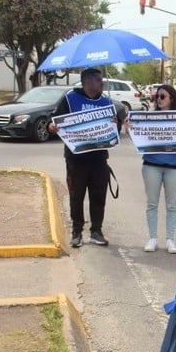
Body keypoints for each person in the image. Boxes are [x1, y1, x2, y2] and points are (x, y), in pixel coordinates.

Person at [48, 68, 125, 248]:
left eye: (101, 80)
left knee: (99, 196)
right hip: (76, 159)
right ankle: (77, 231)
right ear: (87, 81)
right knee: (77, 196)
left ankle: (96, 231)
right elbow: (56, 121)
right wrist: (51, 127)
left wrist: (116, 123)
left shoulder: (107, 102)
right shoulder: (70, 99)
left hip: (99, 159)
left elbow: (116, 129)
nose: (101, 83)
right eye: (98, 80)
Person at [135, 84, 176, 253]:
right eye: (157, 97)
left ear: (172, 98)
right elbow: (139, 139)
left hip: (175, 165)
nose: (159, 100)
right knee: (152, 203)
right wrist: (131, 128)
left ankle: (170, 239)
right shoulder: (149, 117)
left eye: (163, 96)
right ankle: (153, 237)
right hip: (151, 164)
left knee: (172, 205)